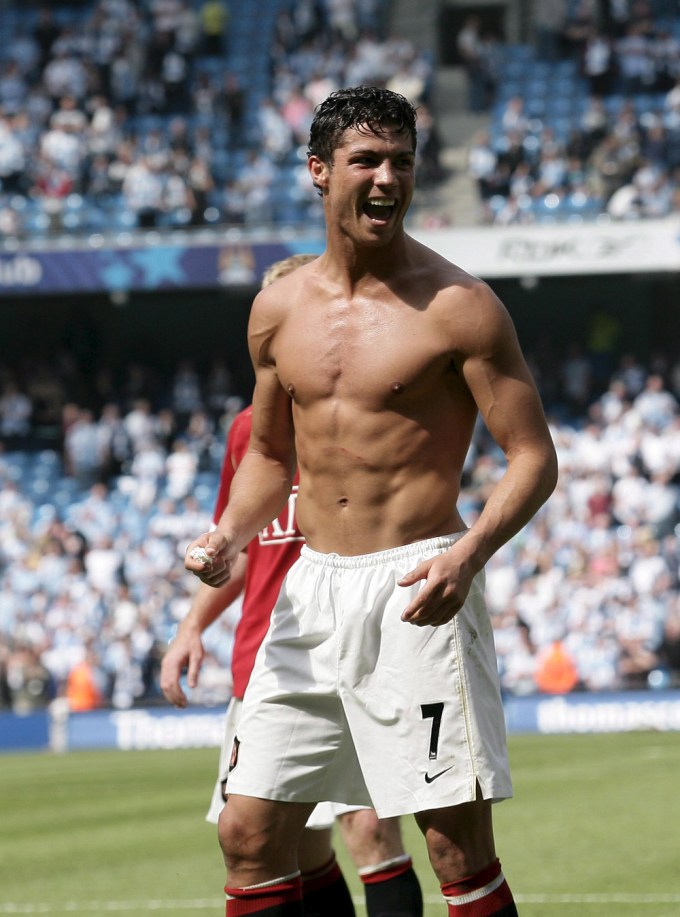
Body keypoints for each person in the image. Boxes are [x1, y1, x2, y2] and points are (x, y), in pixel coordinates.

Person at [185, 86, 558, 916]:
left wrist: (468, 553)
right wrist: (229, 535)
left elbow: (534, 457)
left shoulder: (460, 306)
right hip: (308, 593)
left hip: (417, 585)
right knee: (247, 833)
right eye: (367, 161)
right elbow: (270, 455)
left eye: (402, 162)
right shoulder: (277, 309)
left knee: (455, 847)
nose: (388, 179)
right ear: (319, 171)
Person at [163, 254, 423, 917]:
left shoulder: (363, 418)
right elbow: (238, 545)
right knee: (284, 846)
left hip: (357, 647)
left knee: (369, 828)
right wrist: (192, 624)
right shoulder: (247, 434)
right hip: (267, 659)